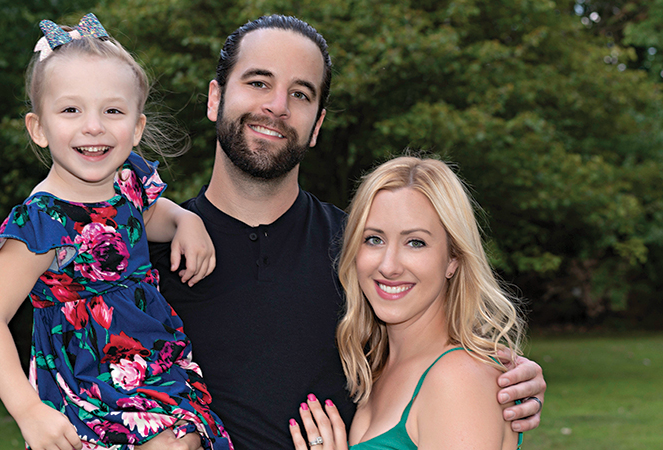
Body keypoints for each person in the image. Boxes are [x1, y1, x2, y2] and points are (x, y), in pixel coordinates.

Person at [150, 14, 546, 450]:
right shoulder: (134, 262)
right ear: (215, 98)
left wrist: (511, 381)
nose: (277, 106)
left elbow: (445, 360)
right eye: (259, 83)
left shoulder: (364, 255)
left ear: (317, 124)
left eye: (300, 93)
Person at [0, 14, 232, 450]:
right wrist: (28, 410)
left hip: (154, 363)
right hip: (87, 384)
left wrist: (187, 220)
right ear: (38, 128)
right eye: (71, 110)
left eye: (112, 110)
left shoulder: (127, 183)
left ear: (136, 128)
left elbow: (148, 218)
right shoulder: (42, 220)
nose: (93, 126)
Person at [290, 156, 528, 449]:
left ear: (453, 258)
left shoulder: (458, 380)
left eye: (415, 242)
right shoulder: (377, 370)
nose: (389, 266)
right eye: (374, 239)